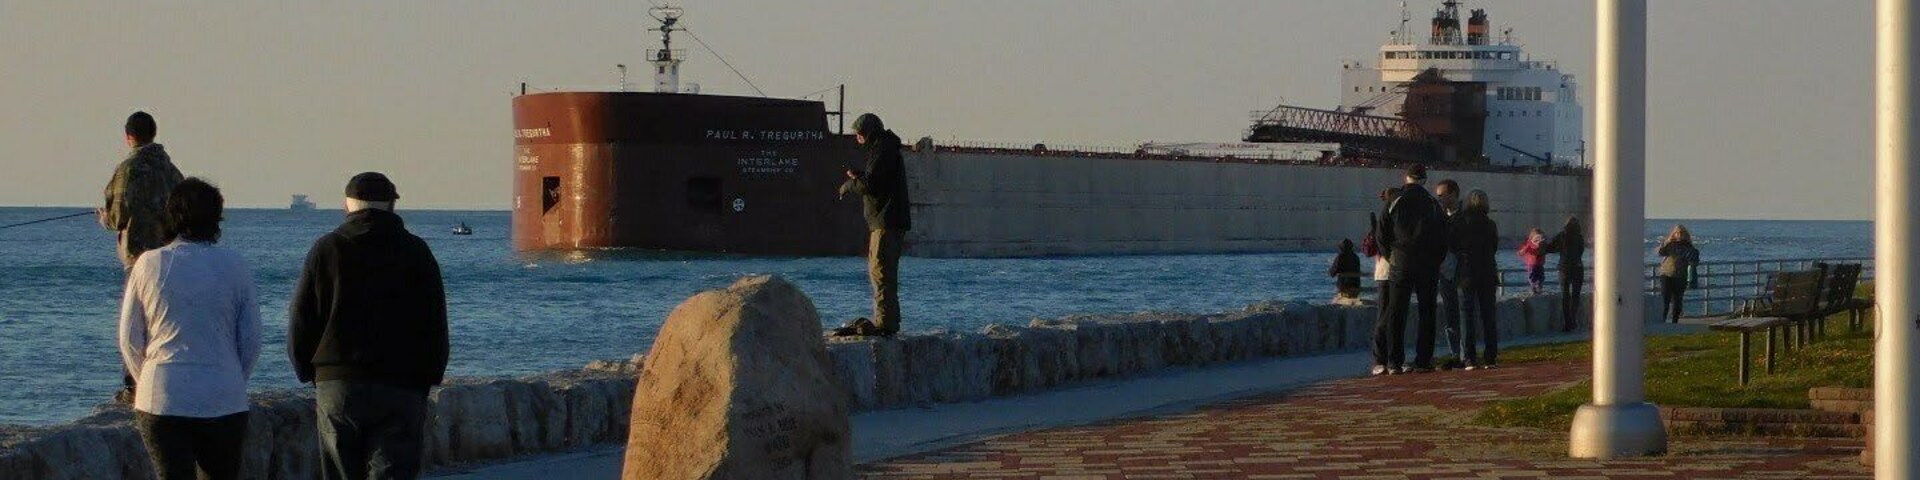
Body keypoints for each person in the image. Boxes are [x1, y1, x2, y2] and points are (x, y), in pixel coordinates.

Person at [289, 172, 448, 480]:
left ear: (347, 206)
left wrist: (308, 370)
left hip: (338, 382)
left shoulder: (326, 249)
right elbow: (434, 321)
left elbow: (302, 318)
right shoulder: (416, 251)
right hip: (402, 382)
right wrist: (431, 374)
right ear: (392, 205)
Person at [118, 178, 261, 480]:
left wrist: (146, 379)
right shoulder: (234, 265)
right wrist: (232, 377)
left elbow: (129, 337)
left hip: (163, 392)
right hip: (223, 393)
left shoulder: (149, 263)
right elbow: (251, 339)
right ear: (216, 219)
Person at [100, 111, 186, 402]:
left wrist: (103, 218)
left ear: (129, 137)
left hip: (138, 259)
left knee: (135, 322)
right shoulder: (172, 171)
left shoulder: (128, 169)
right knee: (164, 320)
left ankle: (134, 386)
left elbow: (117, 217)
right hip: (171, 257)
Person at [834, 113, 911, 337]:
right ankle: (887, 321)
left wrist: (850, 184)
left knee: (881, 271)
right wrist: (860, 176)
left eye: (858, 134)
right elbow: (877, 180)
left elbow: (871, 185)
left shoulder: (882, 150)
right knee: (882, 271)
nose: (857, 138)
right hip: (887, 220)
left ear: (866, 133)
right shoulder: (885, 148)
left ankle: (885, 324)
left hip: (886, 222)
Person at [1377, 165, 1447, 373]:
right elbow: (1443, 235)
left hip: (1401, 261)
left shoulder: (1394, 201)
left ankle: (1394, 362)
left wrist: (1390, 256)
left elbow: (1381, 233)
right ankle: (1423, 360)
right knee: (1427, 312)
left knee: (1396, 311)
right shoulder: (1433, 203)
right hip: (1428, 264)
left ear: (1406, 178)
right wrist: (1436, 260)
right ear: (1425, 180)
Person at [1450, 189, 1501, 369]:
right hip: (1487, 272)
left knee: (1466, 316)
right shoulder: (1490, 224)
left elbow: (1453, 245)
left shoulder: (1460, 222)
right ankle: (1490, 357)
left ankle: (1469, 358)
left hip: (1466, 273)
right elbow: (1494, 246)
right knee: (1488, 315)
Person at [1431, 179, 1464, 369]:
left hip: (1461, 273)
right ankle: (1455, 353)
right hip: (1445, 273)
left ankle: (1465, 353)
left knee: (1463, 313)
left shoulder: (1464, 217)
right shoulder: (1440, 217)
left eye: (1442, 195)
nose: (1439, 199)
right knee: (1450, 313)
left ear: (1453, 194)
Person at [1544, 216, 1586, 331]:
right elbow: (1580, 252)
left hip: (1564, 268)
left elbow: (1550, 248)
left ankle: (1568, 323)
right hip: (1578, 267)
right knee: (1576, 296)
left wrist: (1541, 244)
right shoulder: (1580, 237)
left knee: (1565, 296)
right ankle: (1573, 320)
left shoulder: (1562, 236)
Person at [1657, 224, 1701, 323]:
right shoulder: (1670, 245)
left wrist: (1692, 263)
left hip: (1680, 276)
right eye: (1677, 233)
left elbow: (1694, 261)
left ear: (1686, 234)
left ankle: (1674, 321)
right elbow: (1661, 253)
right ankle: (1662, 320)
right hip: (1666, 274)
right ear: (1674, 234)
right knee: (1665, 299)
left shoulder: (1689, 248)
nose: (1679, 235)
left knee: (1677, 300)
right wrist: (1664, 243)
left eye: (1681, 233)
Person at [1518, 228, 1546, 294]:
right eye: (1537, 238)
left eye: (1541, 237)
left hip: (1540, 264)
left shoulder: (1542, 244)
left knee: (1541, 277)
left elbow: (1545, 250)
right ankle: (1533, 289)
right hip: (1532, 264)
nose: (1539, 239)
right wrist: (1529, 246)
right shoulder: (1529, 244)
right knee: (1533, 277)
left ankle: (1539, 288)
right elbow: (1520, 253)